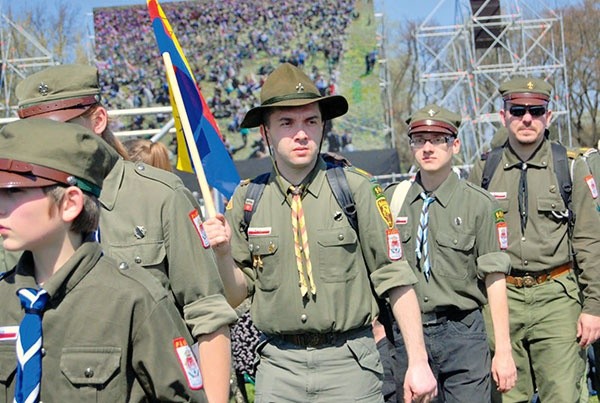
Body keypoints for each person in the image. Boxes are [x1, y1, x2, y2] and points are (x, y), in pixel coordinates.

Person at [203, 62, 437, 402]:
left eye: (311, 121)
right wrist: (223, 254)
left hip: (350, 366)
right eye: (287, 122)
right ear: (264, 133)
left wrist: (418, 360)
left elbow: (396, 278)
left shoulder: (357, 189)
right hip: (278, 369)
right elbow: (236, 294)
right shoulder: (247, 199)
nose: (302, 133)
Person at [14, 64, 238, 403]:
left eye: (58, 130)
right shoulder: (24, 211)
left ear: (98, 120)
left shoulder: (159, 195)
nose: (46, 146)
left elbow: (207, 314)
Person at [0, 119, 206, 402]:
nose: (1, 205)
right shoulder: (4, 300)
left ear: (70, 203)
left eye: (13, 192)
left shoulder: (133, 300)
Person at [468, 76, 600, 402]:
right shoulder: (484, 170)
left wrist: (594, 306)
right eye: (518, 110)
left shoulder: (570, 168)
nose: (527, 118)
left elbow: (589, 241)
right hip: (501, 300)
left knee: (563, 394)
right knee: (507, 396)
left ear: (548, 116)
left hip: (558, 297)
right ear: (503, 116)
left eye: (536, 110)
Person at [384, 104, 516, 402]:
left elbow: (495, 281)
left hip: (462, 333)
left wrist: (504, 351)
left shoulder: (480, 204)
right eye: (419, 139)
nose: (427, 148)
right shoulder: (392, 202)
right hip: (408, 335)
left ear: (455, 145)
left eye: (438, 139)